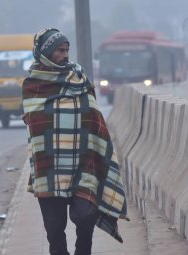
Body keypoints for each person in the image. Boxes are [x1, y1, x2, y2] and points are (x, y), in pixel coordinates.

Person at [22, 28, 128, 255]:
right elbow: (32, 121)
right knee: (54, 230)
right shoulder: (32, 86)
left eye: (66, 50)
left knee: (85, 215)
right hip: (48, 167)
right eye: (59, 50)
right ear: (46, 52)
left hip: (83, 162)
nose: (64, 54)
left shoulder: (79, 79)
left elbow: (93, 115)